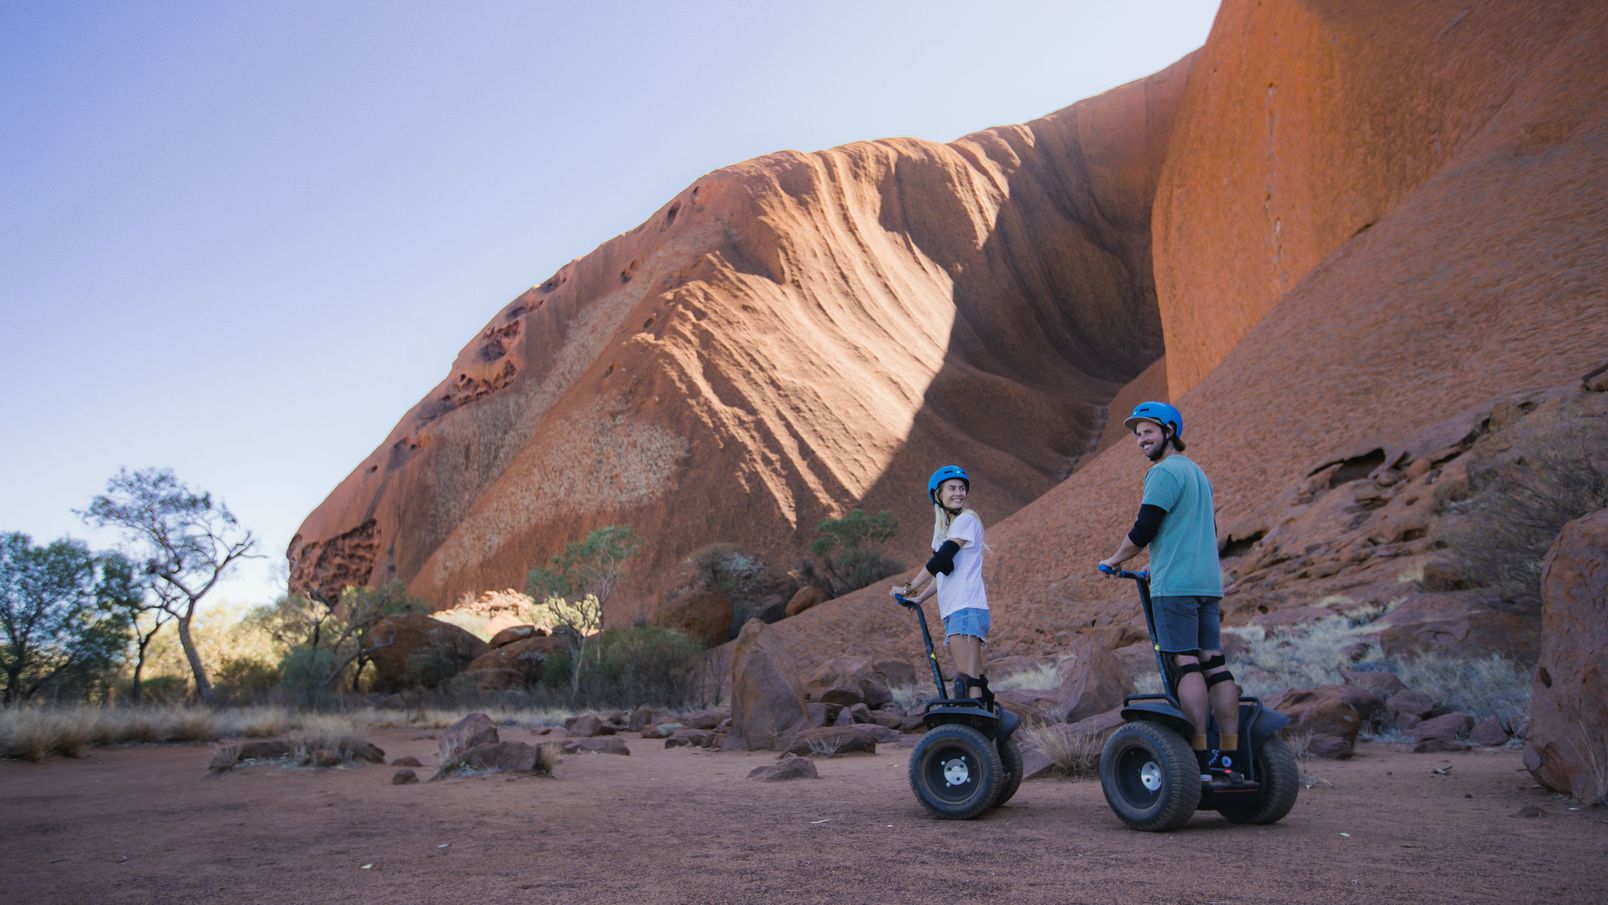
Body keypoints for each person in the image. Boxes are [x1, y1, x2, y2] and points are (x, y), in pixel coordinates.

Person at [1098, 401, 1241, 778]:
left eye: (1148, 431)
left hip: (1175, 587)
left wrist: (1114, 560)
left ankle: (1198, 753)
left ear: (1170, 432)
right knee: (1215, 662)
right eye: (1137, 433)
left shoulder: (1163, 474)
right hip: (1207, 583)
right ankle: (1230, 751)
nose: (1141, 439)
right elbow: (1205, 532)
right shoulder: (1198, 474)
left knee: (1186, 662)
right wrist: (1155, 564)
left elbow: (1145, 528)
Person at [891, 465, 992, 701]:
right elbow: (944, 574)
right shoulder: (948, 528)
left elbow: (942, 559)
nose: (959, 493)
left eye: (962, 488)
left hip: (965, 608)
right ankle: (980, 729)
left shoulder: (966, 519)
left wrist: (908, 587)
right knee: (972, 678)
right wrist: (918, 598)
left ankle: (972, 732)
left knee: (968, 679)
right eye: (952, 488)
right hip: (960, 609)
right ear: (939, 494)